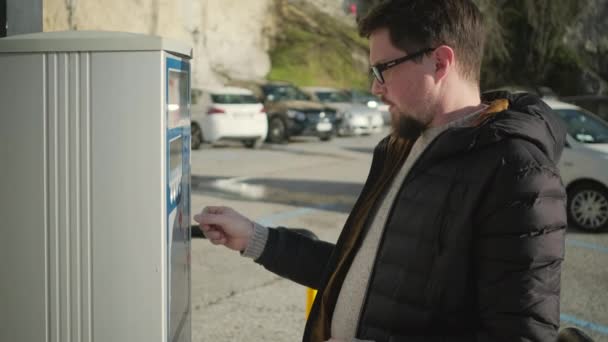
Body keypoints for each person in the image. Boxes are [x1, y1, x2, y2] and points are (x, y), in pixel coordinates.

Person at [194, 1, 568, 341]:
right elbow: (354, 270)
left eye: (383, 69)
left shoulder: (517, 170)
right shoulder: (399, 147)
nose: (374, 87)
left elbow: (521, 336)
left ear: (440, 62)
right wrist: (254, 238)